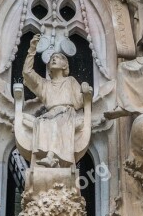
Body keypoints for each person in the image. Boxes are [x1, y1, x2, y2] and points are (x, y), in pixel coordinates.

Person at [20, 33, 91, 168]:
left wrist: (86, 90)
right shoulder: (44, 85)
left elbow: (80, 101)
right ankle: (49, 157)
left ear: (65, 65)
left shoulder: (70, 81)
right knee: (42, 121)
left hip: (66, 113)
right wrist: (32, 50)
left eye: (58, 58)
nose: (54, 59)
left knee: (55, 122)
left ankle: (50, 156)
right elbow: (27, 73)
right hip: (50, 115)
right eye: (52, 58)